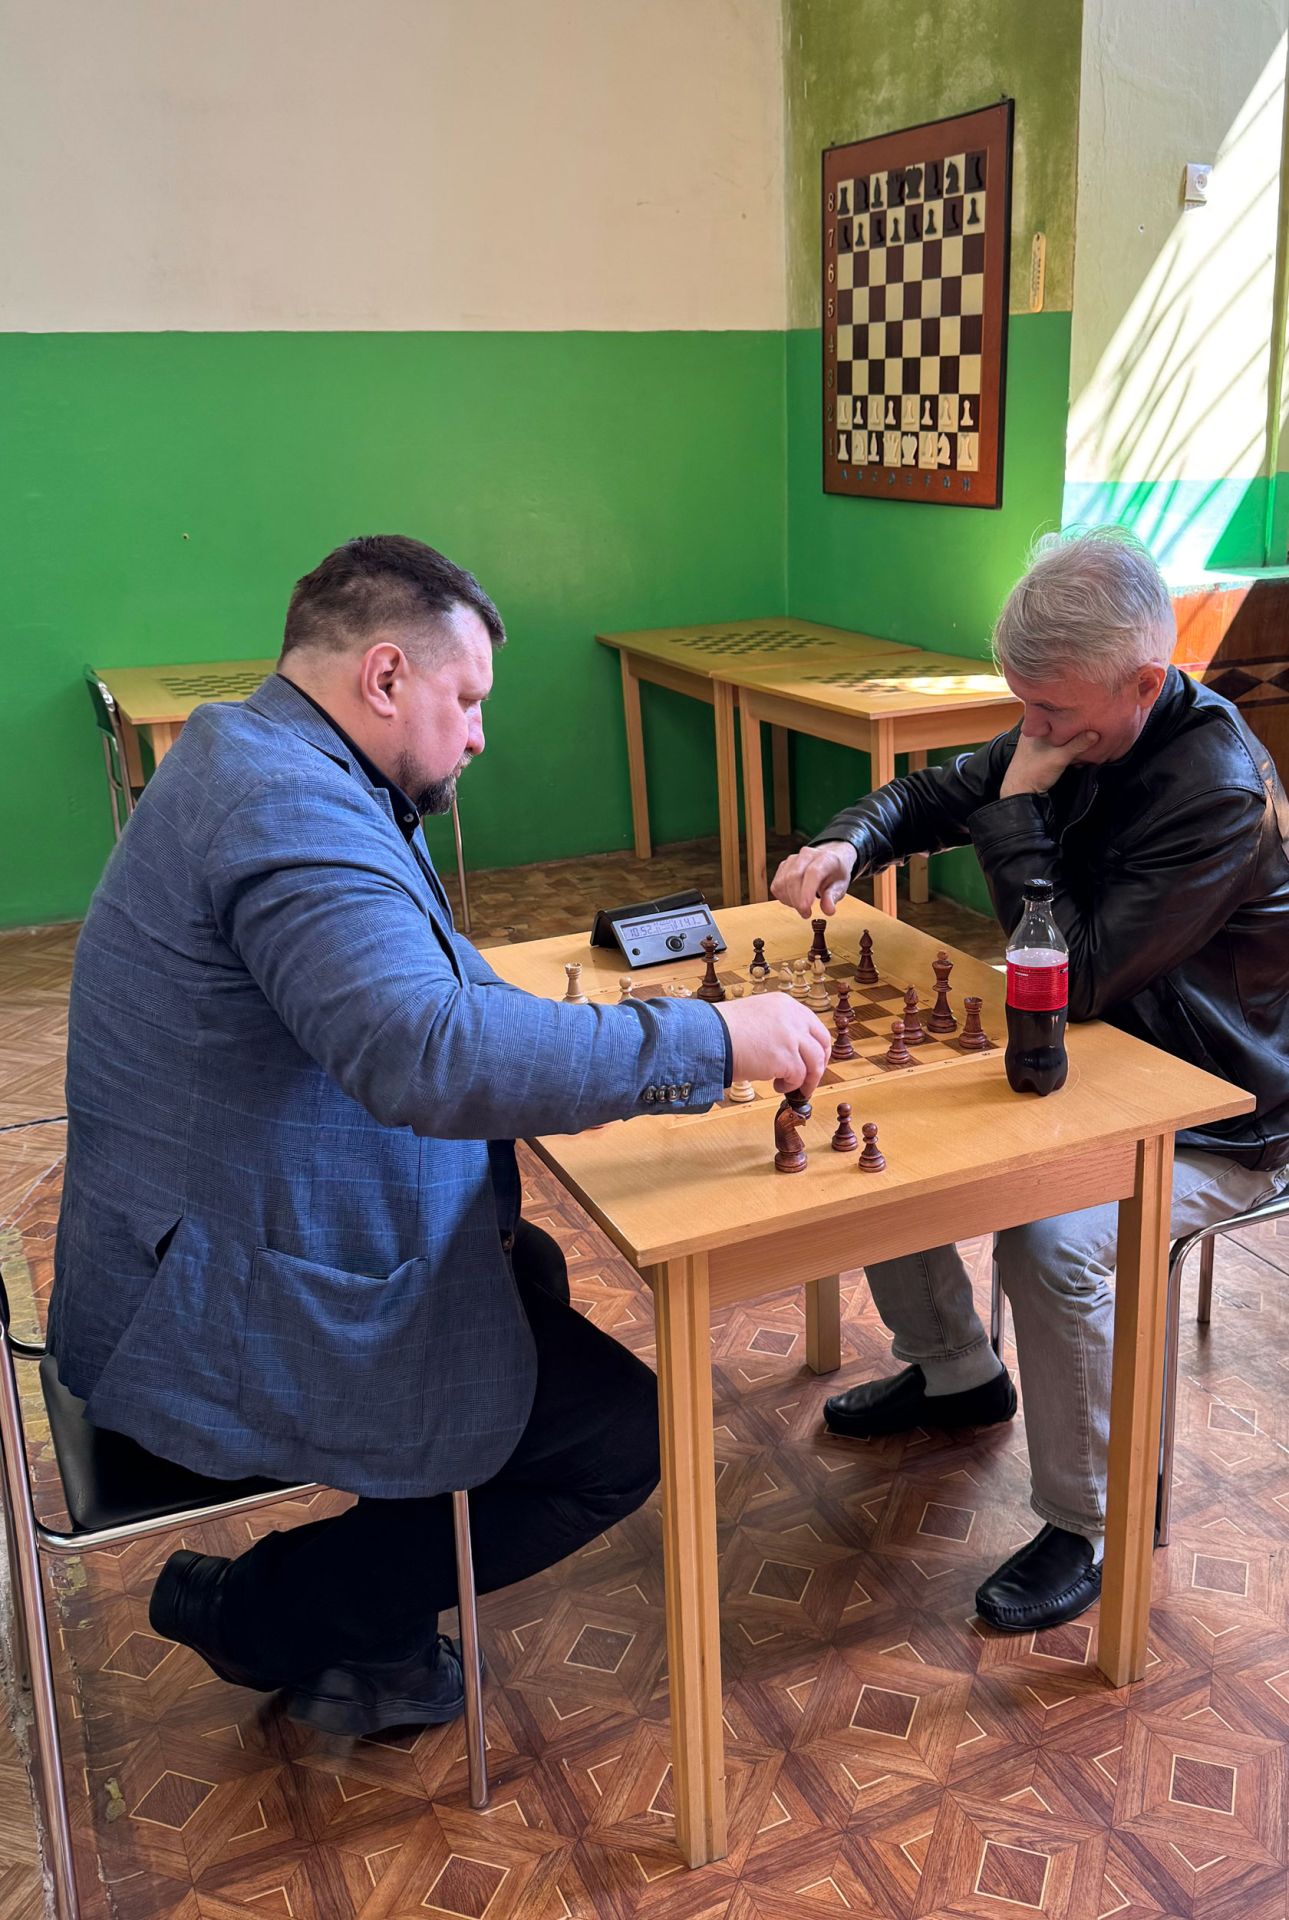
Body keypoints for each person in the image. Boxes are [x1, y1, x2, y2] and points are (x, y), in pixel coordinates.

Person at [50, 534, 832, 1735]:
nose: (476, 735)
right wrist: (711, 1040)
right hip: (208, 1296)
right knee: (625, 1436)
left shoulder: (265, 753)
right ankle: (262, 1612)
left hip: (218, 1220)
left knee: (525, 1269)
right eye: (464, 700)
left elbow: (440, 978)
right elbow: (426, 1051)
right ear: (383, 676)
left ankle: (378, 1636)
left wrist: (626, 1052)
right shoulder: (281, 806)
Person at [772, 527, 1289, 1633]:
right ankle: (955, 1373)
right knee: (892, 1127)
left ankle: (1086, 1522)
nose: (1033, 729)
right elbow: (937, 792)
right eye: (1023, 708)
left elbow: (1077, 973)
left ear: (1143, 681)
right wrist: (849, 841)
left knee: (1049, 1243)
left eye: (1050, 713)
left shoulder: (1214, 790)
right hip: (1095, 1060)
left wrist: (1011, 808)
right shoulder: (1073, 716)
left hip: (1218, 1109)